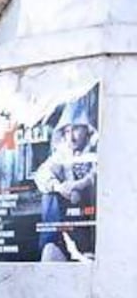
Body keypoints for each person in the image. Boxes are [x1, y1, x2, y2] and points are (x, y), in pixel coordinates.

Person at [33, 100, 97, 262]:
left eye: (75, 129)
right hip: (68, 225)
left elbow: (97, 175)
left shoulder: (97, 148)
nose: (71, 136)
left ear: (86, 129)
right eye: (67, 131)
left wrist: (77, 185)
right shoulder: (62, 154)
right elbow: (42, 174)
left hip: (93, 225)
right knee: (49, 195)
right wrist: (59, 187)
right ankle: (53, 241)